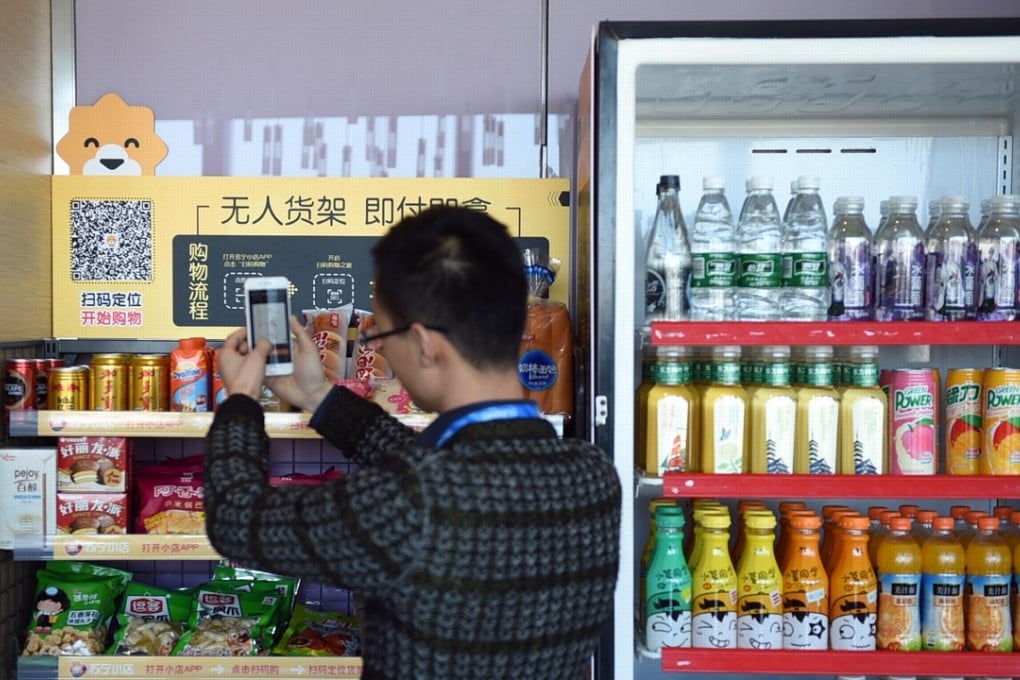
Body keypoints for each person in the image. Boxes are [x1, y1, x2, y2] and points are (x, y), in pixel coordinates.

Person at [204, 205, 622, 680]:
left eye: (381, 331)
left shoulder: (412, 502)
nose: (377, 347)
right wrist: (318, 397)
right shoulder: (592, 475)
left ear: (425, 343)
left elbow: (235, 520)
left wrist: (240, 400)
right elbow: (443, 469)